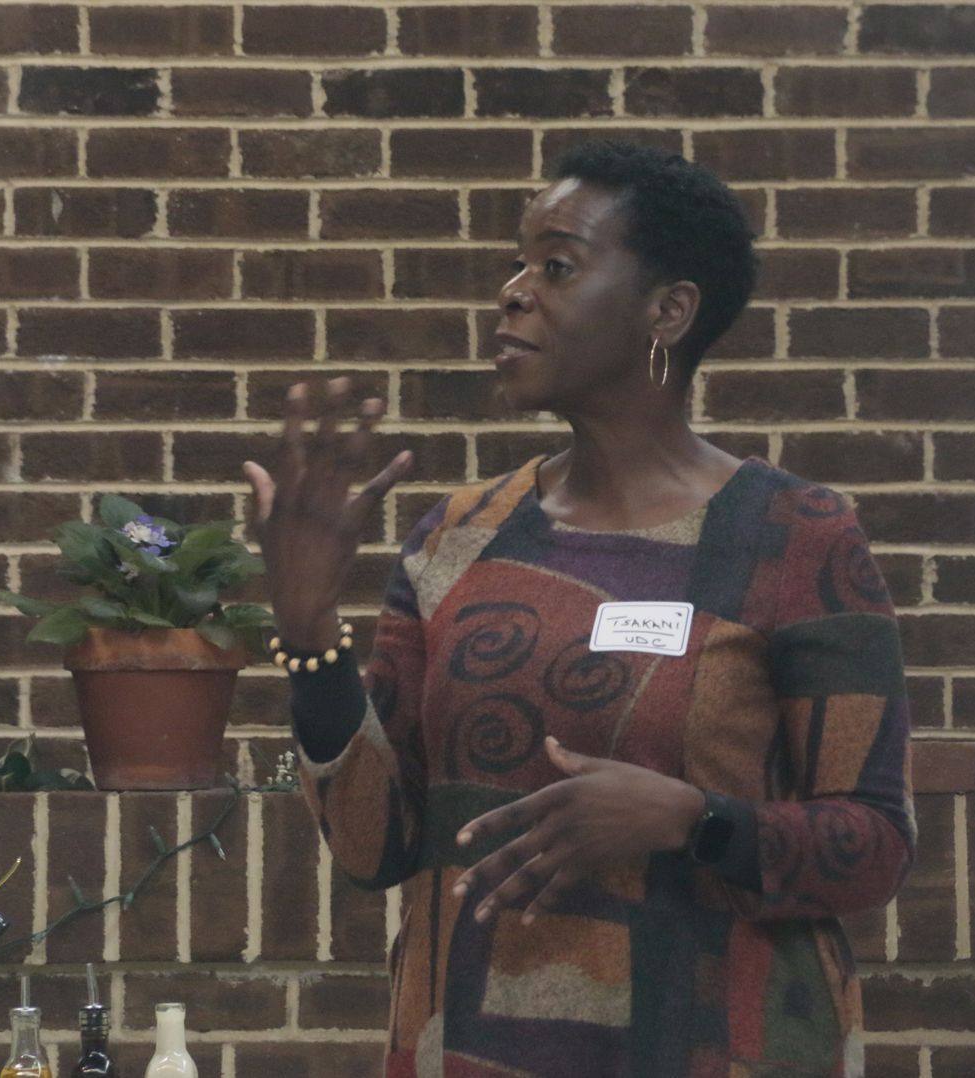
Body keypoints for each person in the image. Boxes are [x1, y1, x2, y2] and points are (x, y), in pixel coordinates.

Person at [243, 141, 916, 1077]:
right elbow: (373, 844)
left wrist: (693, 819)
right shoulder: (456, 541)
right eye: (517, 265)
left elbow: (875, 848)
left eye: (556, 266)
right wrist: (308, 635)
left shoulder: (796, 537)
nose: (514, 291)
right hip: (469, 1047)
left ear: (667, 311)